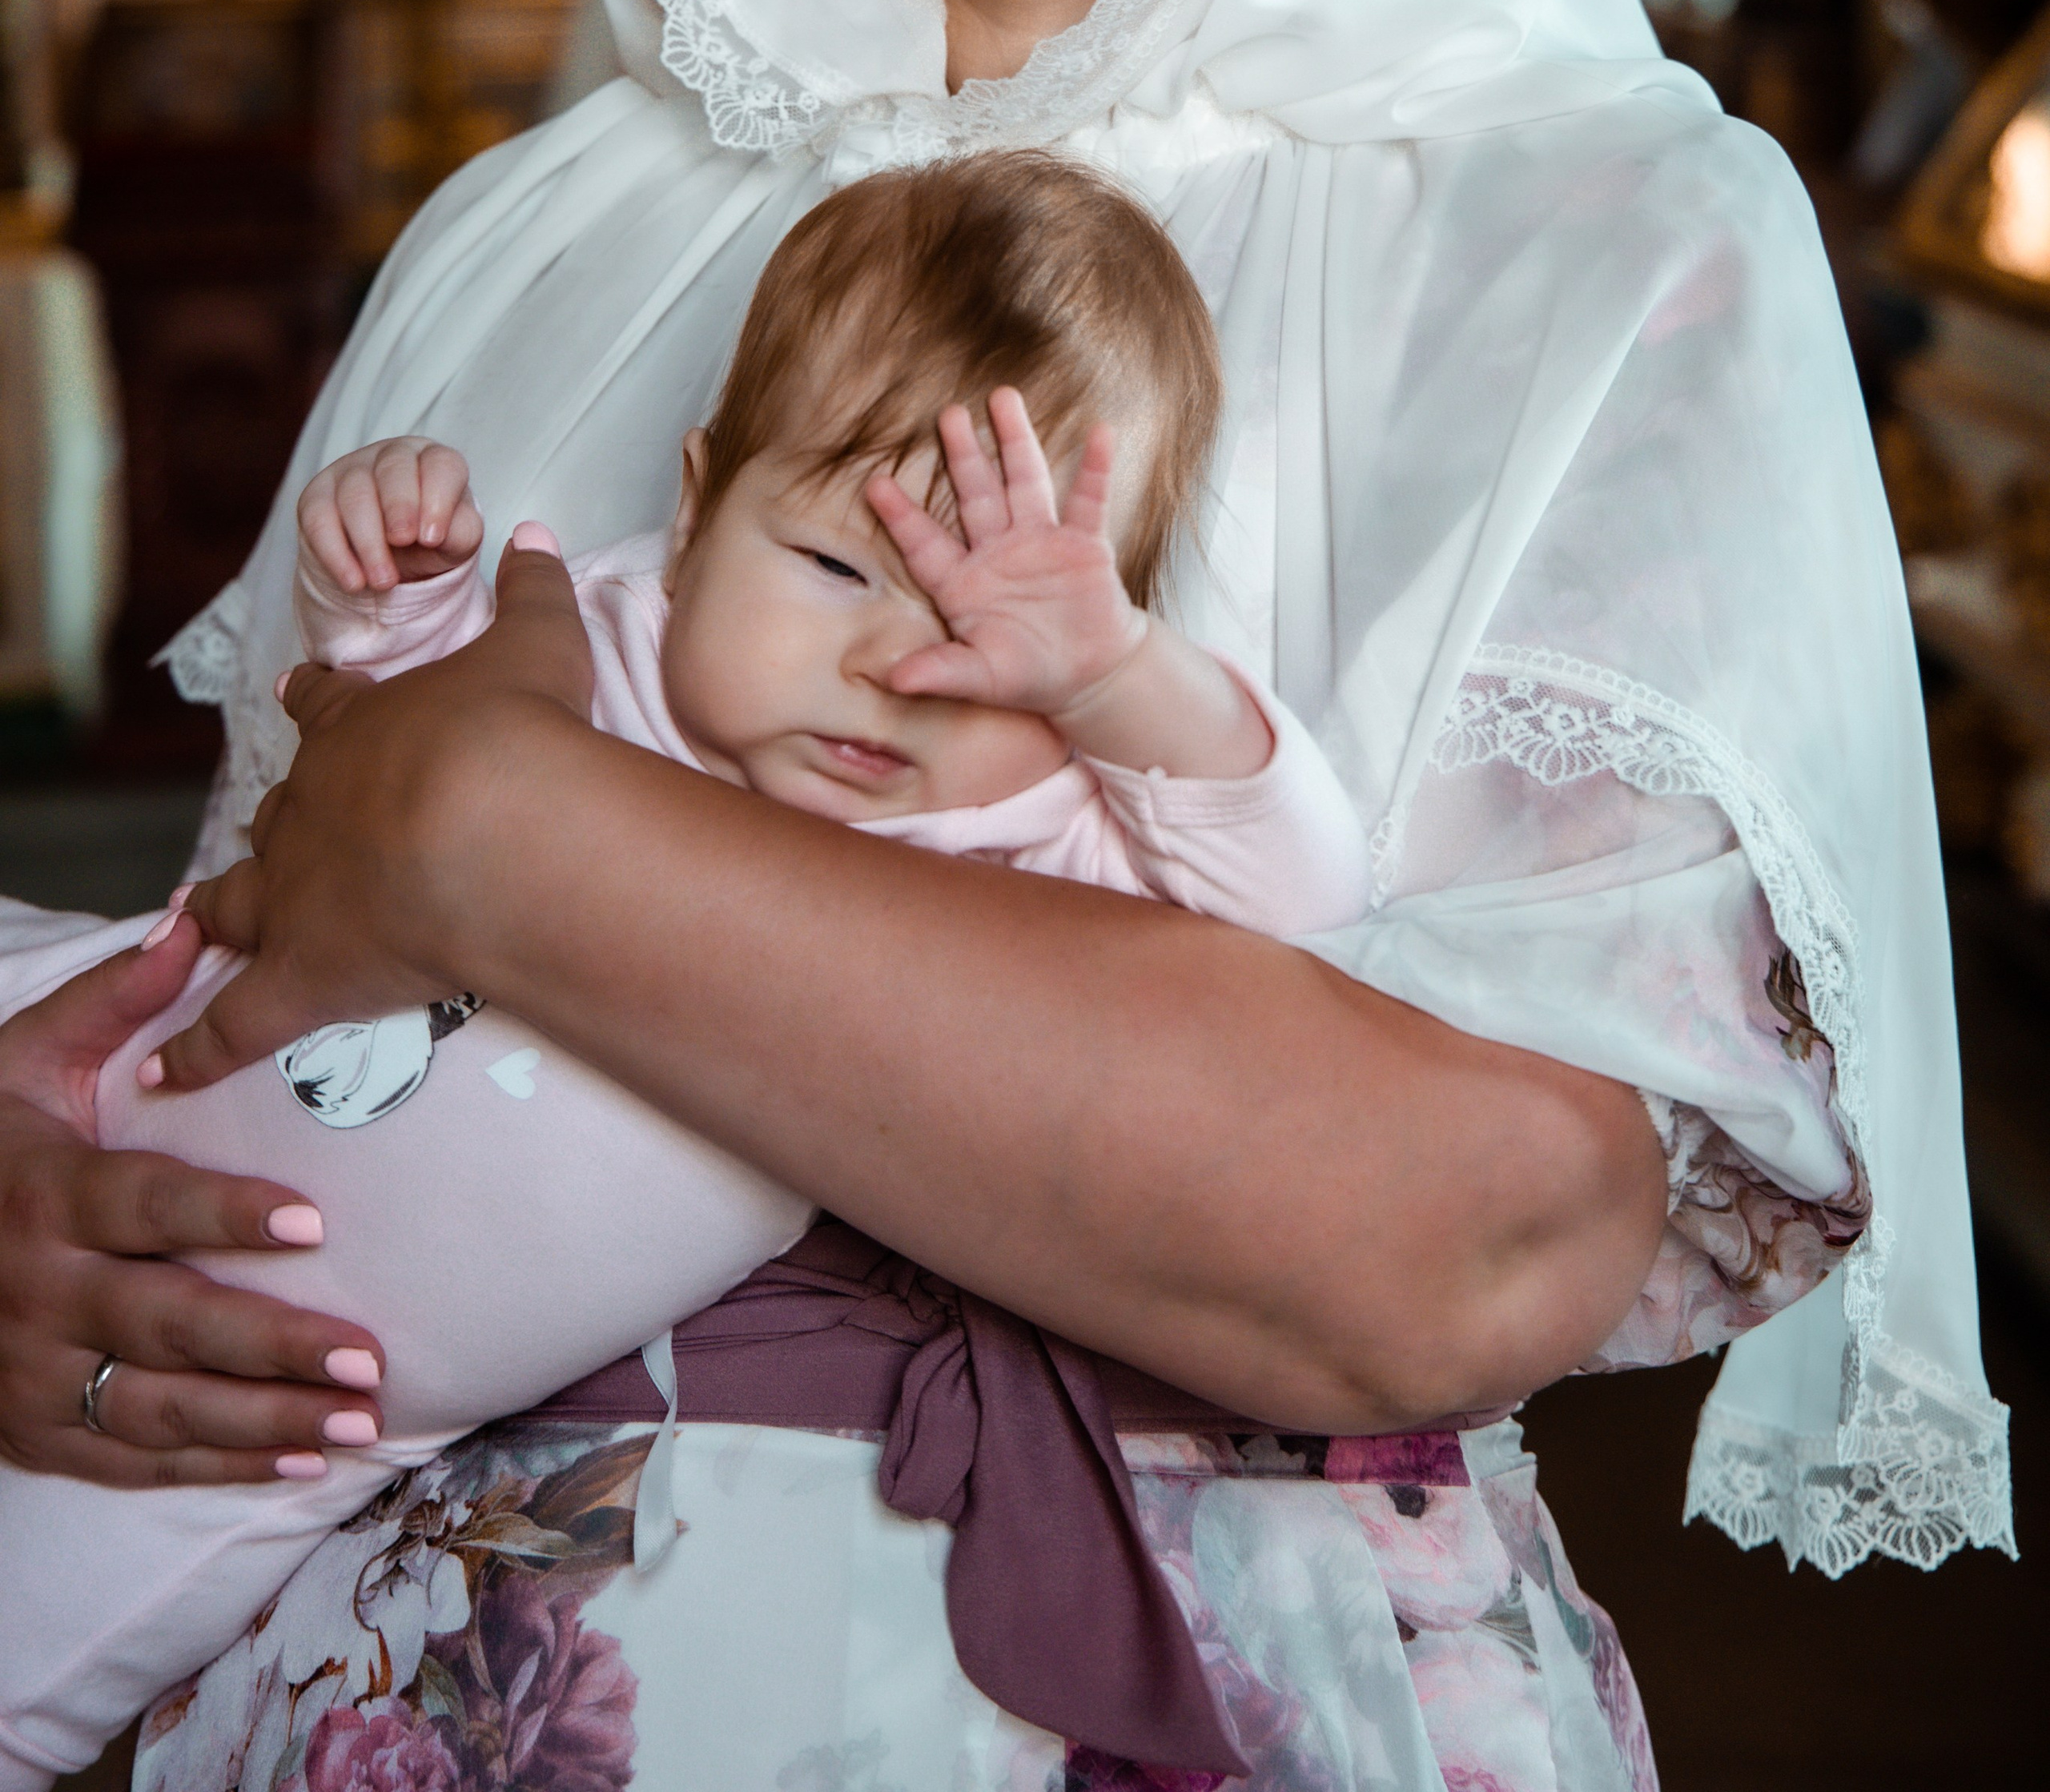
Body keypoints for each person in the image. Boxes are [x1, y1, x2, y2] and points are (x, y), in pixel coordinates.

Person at [0, 0, 2008, 1792]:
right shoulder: (540, 230)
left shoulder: (1597, 240)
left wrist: (506, 826)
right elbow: (259, 1024)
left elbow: (1459, 1235)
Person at [0, 155, 1373, 1789]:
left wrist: (1115, 682)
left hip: (279, 1377)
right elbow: (357, 729)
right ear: (703, 494)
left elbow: (1300, 895)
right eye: (834, 567)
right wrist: (389, 581)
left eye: (990, 622)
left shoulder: (1014, 822)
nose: (893, 667)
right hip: (117, 1021)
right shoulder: (597, 634)